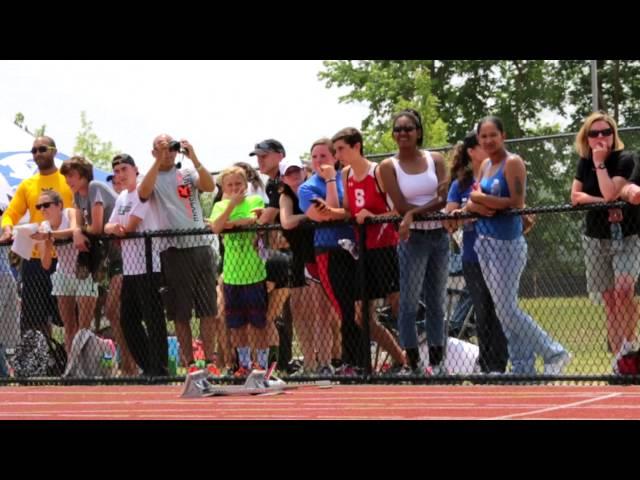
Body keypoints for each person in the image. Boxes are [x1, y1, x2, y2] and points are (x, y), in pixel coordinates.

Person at [471, 115, 570, 375]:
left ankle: (554, 352)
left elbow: (516, 202)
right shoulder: (484, 166)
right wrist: (479, 202)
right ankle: (523, 368)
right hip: (484, 243)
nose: (488, 140)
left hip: (507, 243)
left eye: (493, 135)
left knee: (507, 309)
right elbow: (473, 202)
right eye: (483, 136)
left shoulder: (512, 163)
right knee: (505, 312)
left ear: (503, 136)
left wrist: (483, 199)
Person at [137, 134, 219, 375]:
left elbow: (209, 186)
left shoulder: (187, 173)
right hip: (173, 250)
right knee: (180, 312)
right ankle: (190, 363)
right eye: (163, 148)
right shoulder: (149, 175)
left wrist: (192, 155)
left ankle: (211, 361)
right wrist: (157, 160)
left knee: (208, 309)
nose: (169, 152)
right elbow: (143, 193)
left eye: (172, 148)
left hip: (200, 246)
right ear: (153, 152)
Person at [378, 109, 450, 375]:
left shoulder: (436, 159)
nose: (403, 133)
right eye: (398, 129)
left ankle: (437, 362)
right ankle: (413, 363)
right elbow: (399, 204)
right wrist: (408, 213)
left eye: (408, 128)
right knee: (408, 303)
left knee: (436, 302)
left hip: (439, 237)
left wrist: (413, 213)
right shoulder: (389, 166)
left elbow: (444, 197)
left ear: (418, 132)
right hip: (412, 239)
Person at [331, 127, 407, 372]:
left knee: (398, 303)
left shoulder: (378, 172)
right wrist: (327, 211)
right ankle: (400, 356)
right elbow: (347, 210)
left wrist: (373, 216)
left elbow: (399, 211)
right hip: (361, 249)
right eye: (336, 150)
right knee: (360, 314)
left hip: (385, 246)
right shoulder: (345, 174)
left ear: (357, 146)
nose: (338, 154)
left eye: (341, 149)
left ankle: (415, 358)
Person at [570, 111, 640, 368]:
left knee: (624, 290)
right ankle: (619, 358)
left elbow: (612, 192)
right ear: (586, 138)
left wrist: (600, 164)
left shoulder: (625, 159)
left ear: (614, 135)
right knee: (610, 300)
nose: (601, 137)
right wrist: (602, 202)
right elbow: (575, 196)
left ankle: (631, 346)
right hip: (596, 237)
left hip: (627, 234)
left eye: (606, 132)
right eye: (594, 133)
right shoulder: (583, 162)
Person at [60, 155, 136, 375]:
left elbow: (96, 227)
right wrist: (76, 230)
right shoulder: (77, 195)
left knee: (114, 310)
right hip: (108, 258)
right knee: (111, 313)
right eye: (66, 177)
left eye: (72, 175)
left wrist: (78, 231)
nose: (68, 181)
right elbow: (80, 223)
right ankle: (128, 365)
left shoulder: (94, 187)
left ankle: (134, 363)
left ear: (83, 174)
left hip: (125, 255)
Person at [299, 138, 365, 373]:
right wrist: (328, 180)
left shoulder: (348, 177)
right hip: (328, 250)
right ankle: (352, 362)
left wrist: (338, 209)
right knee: (343, 308)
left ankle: (369, 360)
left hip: (356, 249)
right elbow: (327, 216)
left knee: (361, 310)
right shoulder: (307, 187)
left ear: (335, 157)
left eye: (324, 156)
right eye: (314, 156)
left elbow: (348, 209)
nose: (318, 161)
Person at [445, 130, 509, 373]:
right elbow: (450, 217)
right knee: (482, 310)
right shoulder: (460, 184)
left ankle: (500, 364)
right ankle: (486, 363)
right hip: (472, 254)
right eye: (482, 144)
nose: (489, 147)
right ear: (472, 151)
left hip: (500, 253)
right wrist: (467, 211)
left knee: (501, 309)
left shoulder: (500, 175)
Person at [0, 136, 73, 337]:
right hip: (35, 258)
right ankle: (44, 362)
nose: (37, 154)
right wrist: (7, 228)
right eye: (34, 151)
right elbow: (10, 214)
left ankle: (72, 362)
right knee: (36, 320)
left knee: (68, 319)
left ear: (54, 151)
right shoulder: (27, 185)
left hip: (67, 258)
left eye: (42, 149)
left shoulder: (68, 181)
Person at [104, 154, 168, 376]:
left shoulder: (143, 191)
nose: (120, 175)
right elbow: (109, 226)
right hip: (130, 268)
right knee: (127, 321)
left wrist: (117, 228)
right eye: (117, 171)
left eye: (124, 169)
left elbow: (129, 226)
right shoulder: (121, 197)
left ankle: (160, 368)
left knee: (153, 319)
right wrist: (113, 228)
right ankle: (148, 366)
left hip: (150, 265)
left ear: (135, 170)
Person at [278, 157, 337, 375]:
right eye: (289, 173)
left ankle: (325, 362)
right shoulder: (286, 196)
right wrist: (309, 215)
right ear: (283, 178)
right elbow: (286, 221)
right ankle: (310, 362)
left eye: (297, 171)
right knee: (300, 312)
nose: (294, 176)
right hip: (297, 257)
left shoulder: (312, 188)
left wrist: (307, 216)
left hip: (317, 254)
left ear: (305, 171)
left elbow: (327, 212)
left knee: (321, 311)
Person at [209, 166, 269, 376]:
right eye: (230, 185)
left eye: (238, 184)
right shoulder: (219, 206)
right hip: (232, 275)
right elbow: (216, 227)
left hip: (255, 273)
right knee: (237, 325)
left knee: (259, 323)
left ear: (245, 185)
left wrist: (232, 223)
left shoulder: (255, 201)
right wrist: (230, 208)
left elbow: (254, 220)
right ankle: (243, 364)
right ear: (223, 187)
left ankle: (261, 364)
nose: (235, 189)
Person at [31, 191, 98, 354]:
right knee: (69, 326)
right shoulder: (44, 227)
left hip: (84, 270)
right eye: (39, 206)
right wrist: (46, 243)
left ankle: (87, 367)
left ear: (59, 205)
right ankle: (72, 368)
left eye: (46, 205)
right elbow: (46, 264)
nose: (43, 209)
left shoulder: (70, 213)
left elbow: (74, 230)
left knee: (84, 327)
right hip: (63, 273)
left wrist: (49, 235)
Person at [249, 139, 293, 371]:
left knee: (272, 316)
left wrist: (257, 216)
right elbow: (269, 216)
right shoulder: (270, 184)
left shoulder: (287, 177)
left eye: (264, 155)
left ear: (280, 155)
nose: (260, 160)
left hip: (290, 254)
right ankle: (276, 363)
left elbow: (268, 217)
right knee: (268, 316)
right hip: (277, 255)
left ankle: (278, 363)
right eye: (257, 156)